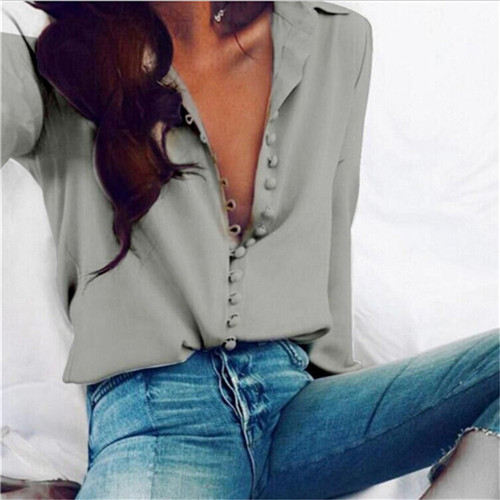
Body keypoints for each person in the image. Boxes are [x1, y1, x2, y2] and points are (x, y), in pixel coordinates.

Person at [2, 1, 498, 499]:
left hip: (301, 410)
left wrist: (346, 398)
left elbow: (331, 229)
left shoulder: (339, 38)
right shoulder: (56, 59)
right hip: (161, 424)